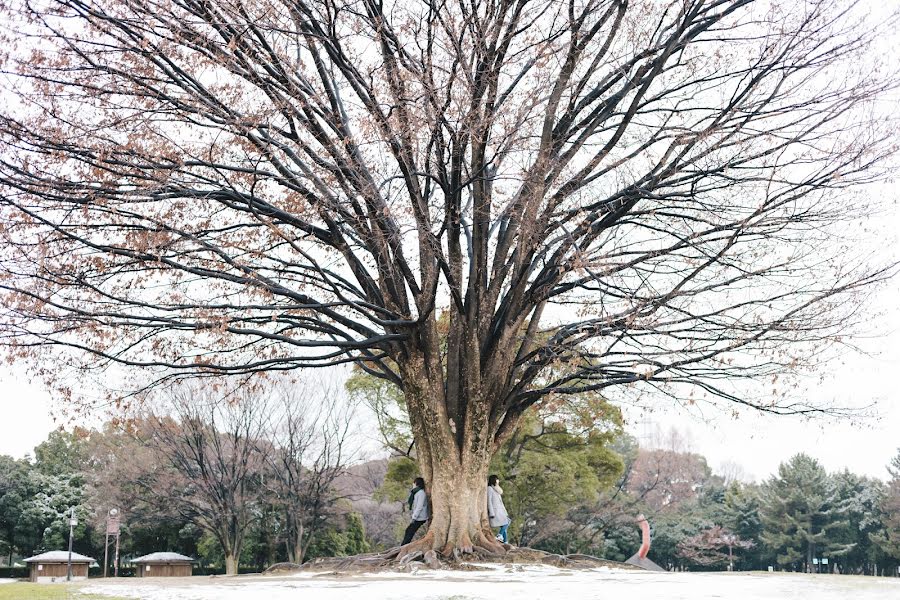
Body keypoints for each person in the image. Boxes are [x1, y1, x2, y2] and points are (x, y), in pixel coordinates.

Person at [401, 477, 429, 545]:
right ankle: (403, 547)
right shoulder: (417, 493)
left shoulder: (421, 493)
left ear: (416, 483)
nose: (413, 484)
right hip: (417, 517)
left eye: (414, 483)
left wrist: (414, 517)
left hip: (420, 517)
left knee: (409, 532)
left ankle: (403, 547)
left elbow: (419, 507)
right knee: (408, 531)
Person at [487, 474, 510, 543]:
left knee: (505, 524)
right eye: (497, 479)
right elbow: (489, 501)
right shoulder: (490, 488)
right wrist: (491, 512)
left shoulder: (497, 489)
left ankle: (505, 542)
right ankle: (499, 535)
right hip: (495, 511)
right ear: (494, 480)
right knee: (506, 523)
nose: (498, 480)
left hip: (501, 511)